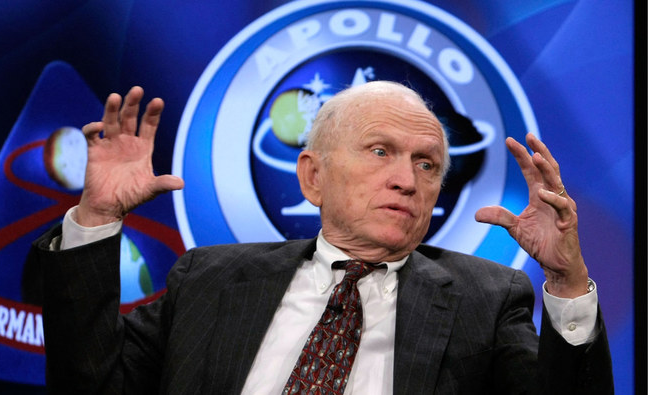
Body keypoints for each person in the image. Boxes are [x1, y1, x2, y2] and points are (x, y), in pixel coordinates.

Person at [31, 81, 613, 394]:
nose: (406, 180)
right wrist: (98, 218)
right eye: (380, 151)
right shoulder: (207, 277)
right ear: (313, 177)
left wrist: (564, 279)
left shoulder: (485, 299)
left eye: (428, 164)